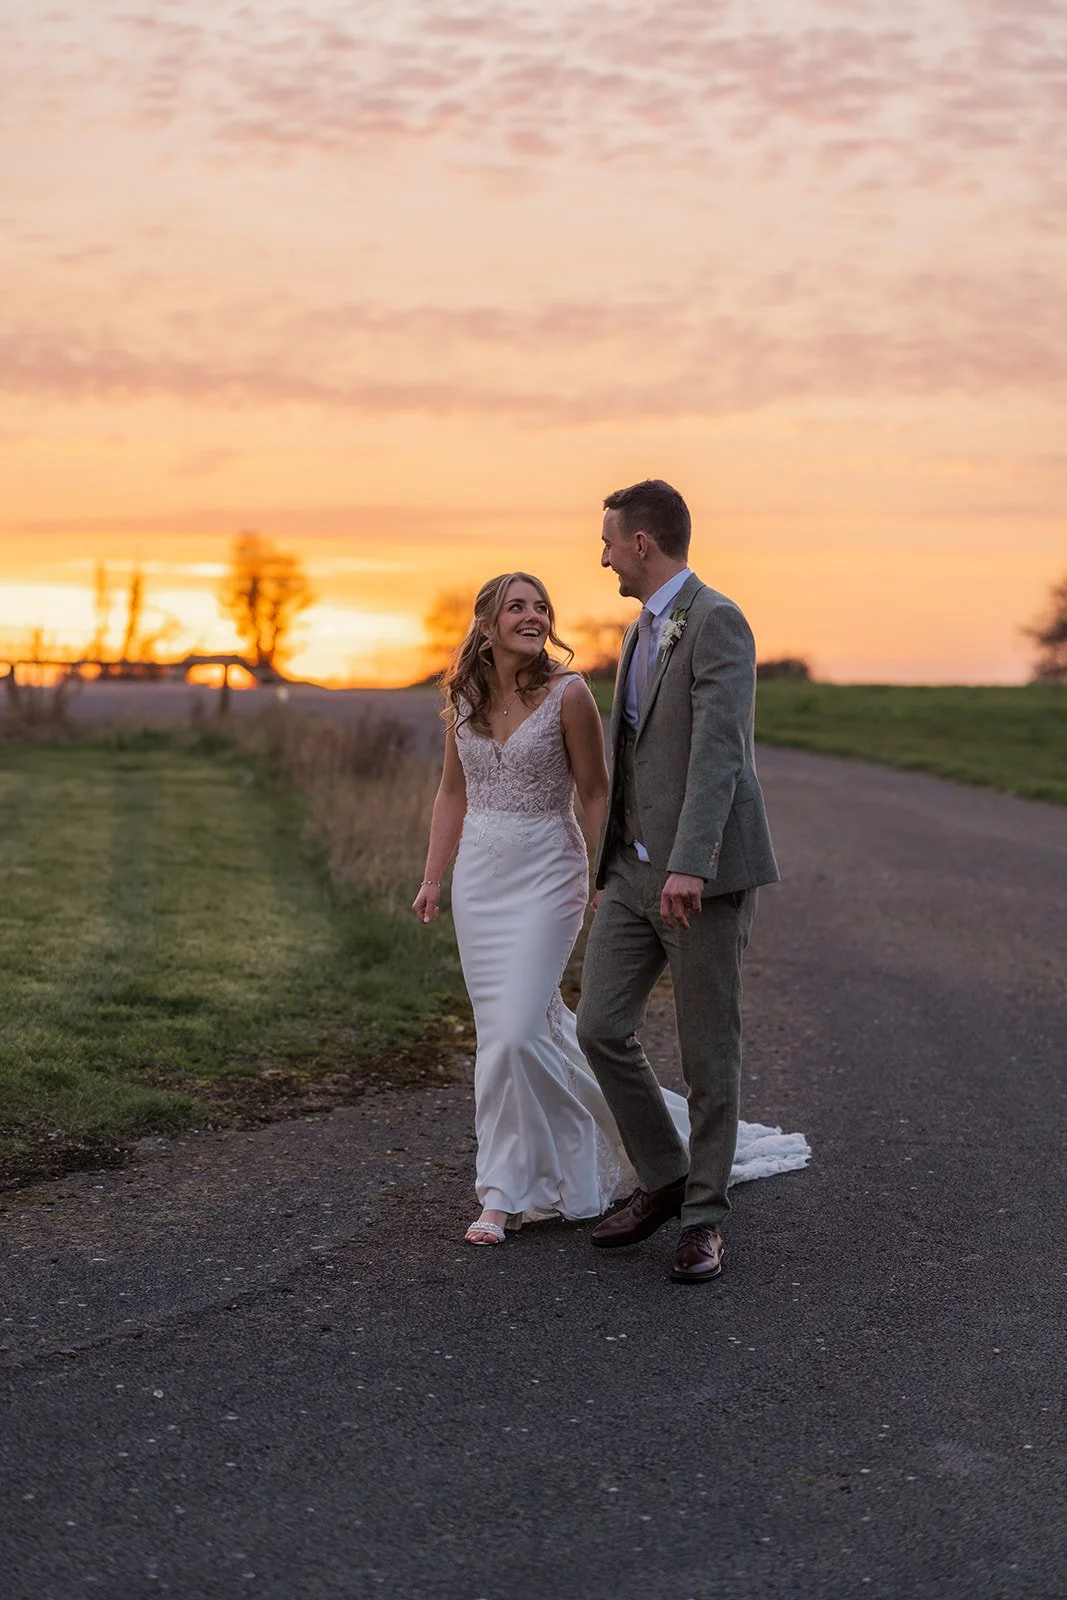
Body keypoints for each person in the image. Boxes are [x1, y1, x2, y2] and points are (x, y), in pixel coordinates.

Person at [413, 565, 808, 1251]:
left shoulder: (567, 696)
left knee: (515, 1031)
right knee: (504, 1035)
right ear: (485, 624)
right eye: (516, 608)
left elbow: (597, 793)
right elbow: (452, 792)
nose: (532, 617)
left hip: (547, 872)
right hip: (480, 879)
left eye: (540, 607)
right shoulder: (464, 698)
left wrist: (608, 875)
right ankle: (506, 1189)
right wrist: (431, 877)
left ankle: (518, 1185)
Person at [576, 478, 786, 1283]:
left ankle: (702, 1220)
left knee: (708, 1055)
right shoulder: (640, 632)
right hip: (631, 874)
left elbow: (718, 754)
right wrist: (614, 865)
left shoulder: (718, 620)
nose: (600, 557)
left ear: (641, 543)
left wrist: (689, 863)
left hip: (700, 876)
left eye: (607, 541)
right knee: (598, 1026)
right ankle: (665, 1179)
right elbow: (634, 755)